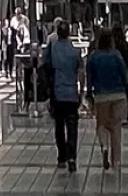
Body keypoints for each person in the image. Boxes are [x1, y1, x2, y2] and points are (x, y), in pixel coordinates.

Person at [85, 28, 128, 171]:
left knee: (101, 125)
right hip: (118, 95)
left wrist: (89, 94)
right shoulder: (116, 55)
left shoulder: (93, 57)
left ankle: (104, 147)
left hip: (101, 96)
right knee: (116, 128)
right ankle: (116, 162)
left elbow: (89, 78)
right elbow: (124, 75)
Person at [43, 21, 83, 171]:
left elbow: (45, 67)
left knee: (59, 125)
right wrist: (81, 91)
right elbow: (80, 72)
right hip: (71, 93)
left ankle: (61, 156)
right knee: (72, 127)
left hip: (57, 92)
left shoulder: (52, 49)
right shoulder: (75, 51)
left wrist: (47, 91)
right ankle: (72, 157)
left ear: (57, 33)